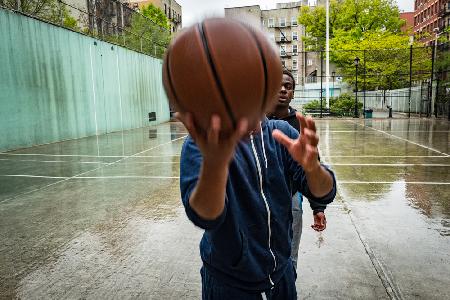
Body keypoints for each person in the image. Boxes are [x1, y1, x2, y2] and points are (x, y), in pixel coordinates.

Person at [177, 82, 336, 299]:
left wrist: (313, 168)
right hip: (229, 283)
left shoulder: (282, 133)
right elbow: (204, 216)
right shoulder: (202, 143)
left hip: (281, 276)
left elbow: (324, 192)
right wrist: (214, 169)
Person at [267, 70, 328, 270]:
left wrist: (318, 207)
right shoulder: (257, 121)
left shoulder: (300, 124)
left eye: (289, 86)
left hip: (291, 195)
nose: (283, 89)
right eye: (279, 85)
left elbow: (312, 168)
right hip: (259, 194)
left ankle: (288, 281)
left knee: (288, 254)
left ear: (293, 93)